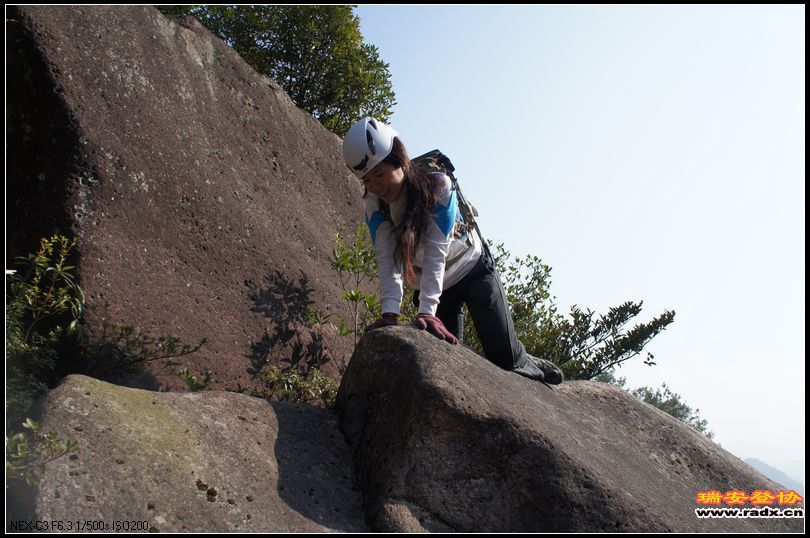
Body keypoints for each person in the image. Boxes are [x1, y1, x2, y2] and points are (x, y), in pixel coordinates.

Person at [342, 117, 563, 384]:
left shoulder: (437, 185)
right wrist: (390, 313)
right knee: (448, 361)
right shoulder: (375, 205)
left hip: (472, 269)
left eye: (379, 174)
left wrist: (426, 311)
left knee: (504, 357)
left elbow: (437, 250)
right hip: (438, 288)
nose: (376, 186)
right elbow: (388, 259)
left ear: (399, 159)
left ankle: (528, 360)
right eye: (367, 180)